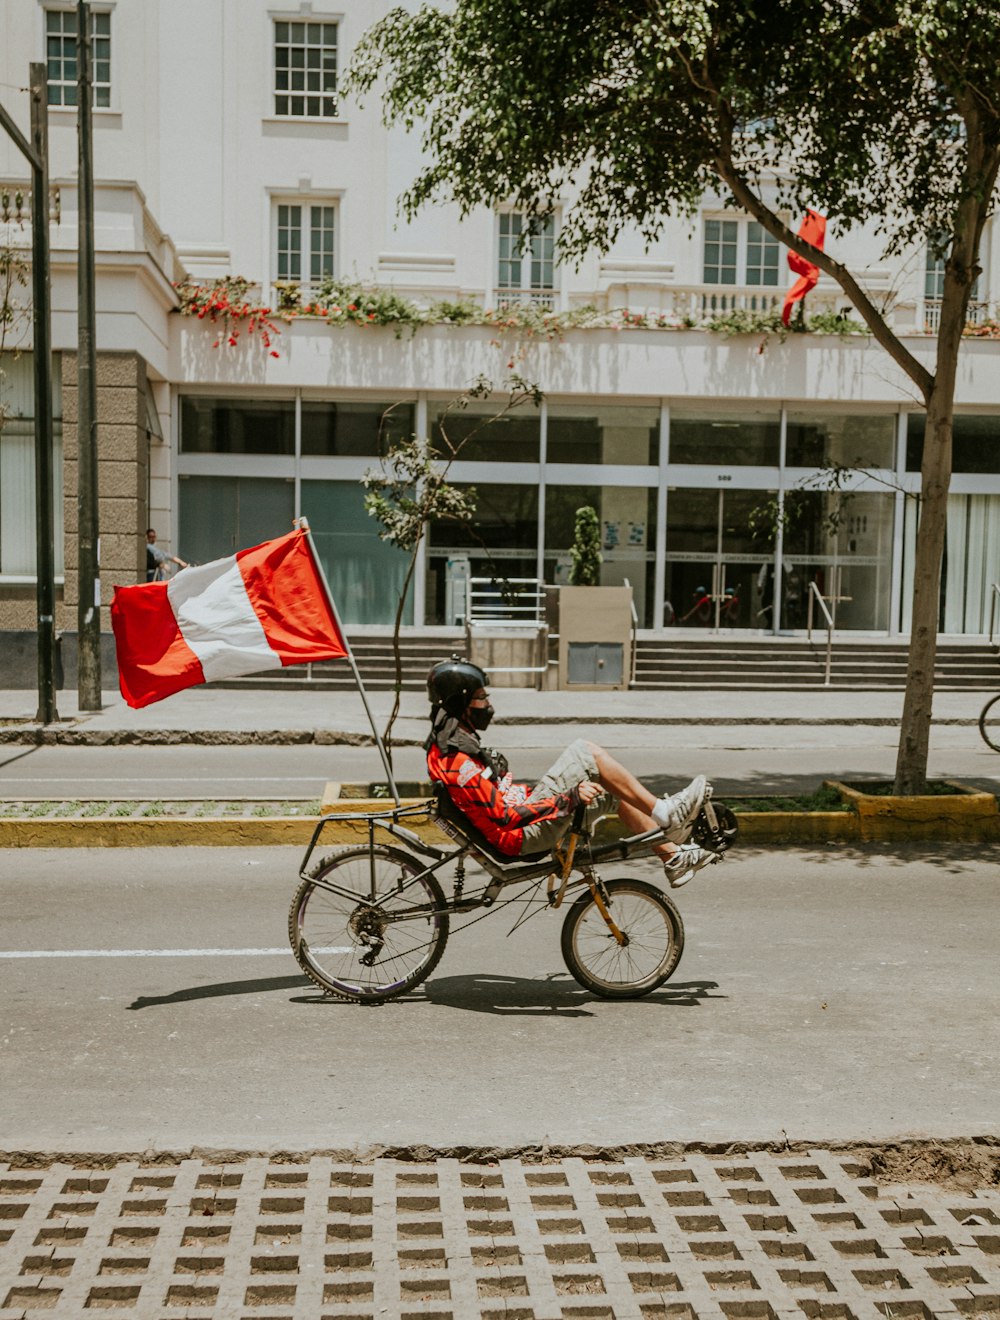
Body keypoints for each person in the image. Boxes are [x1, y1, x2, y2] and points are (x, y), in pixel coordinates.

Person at [424, 658, 719, 889]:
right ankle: (666, 813)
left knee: (613, 788)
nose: (488, 704)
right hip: (522, 837)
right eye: (481, 697)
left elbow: (490, 799)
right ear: (460, 703)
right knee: (585, 752)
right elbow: (505, 818)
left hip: (523, 818)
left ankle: (673, 857)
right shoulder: (457, 760)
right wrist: (568, 799)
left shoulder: (449, 745)